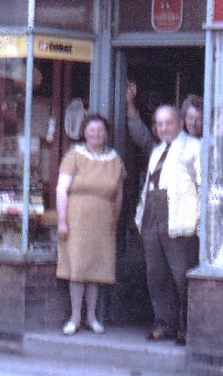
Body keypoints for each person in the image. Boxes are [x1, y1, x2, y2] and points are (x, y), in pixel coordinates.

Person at [135, 104, 201, 346]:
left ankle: (186, 327)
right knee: (156, 274)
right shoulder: (157, 150)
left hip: (180, 217)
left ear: (180, 122)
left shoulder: (195, 147)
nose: (163, 128)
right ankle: (164, 323)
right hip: (153, 213)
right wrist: (140, 217)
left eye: (168, 123)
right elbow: (149, 186)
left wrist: (203, 221)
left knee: (181, 274)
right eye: (159, 124)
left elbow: (208, 186)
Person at [56, 113, 125, 336]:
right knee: (77, 269)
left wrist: (115, 220)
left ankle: (91, 317)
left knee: (96, 270)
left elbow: (119, 194)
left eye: (100, 130)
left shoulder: (114, 160)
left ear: (106, 133)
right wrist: (62, 221)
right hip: (76, 220)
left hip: (103, 221)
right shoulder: (74, 156)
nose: (96, 134)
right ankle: (75, 318)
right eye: (92, 130)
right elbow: (61, 190)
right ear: (84, 132)